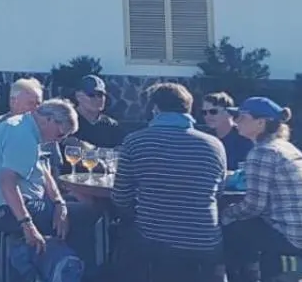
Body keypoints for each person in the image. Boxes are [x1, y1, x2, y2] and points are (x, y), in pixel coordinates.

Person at [220, 97, 302, 282]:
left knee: (228, 230)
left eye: (241, 117)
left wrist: (225, 214)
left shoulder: (262, 152)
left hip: (291, 236)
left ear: (261, 123)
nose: (235, 121)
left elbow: (254, 206)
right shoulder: (286, 148)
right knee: (245, 230)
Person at [112, 83, 227, 256]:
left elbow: (121, 196)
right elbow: (218, 192)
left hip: (153, 239)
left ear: (155, 109)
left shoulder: (135, 142)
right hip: (204, 241)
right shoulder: (215, 145)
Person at [0, 99, 99, 256]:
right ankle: (72, 267)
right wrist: (27, 225)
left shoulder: (27, 127)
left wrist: (59, 203)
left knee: (76, 206)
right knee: (85, 213)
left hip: (15, 204)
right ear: (49, 120)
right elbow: (6, 181)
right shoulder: (22, 135)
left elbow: (43, 171)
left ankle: (60, 262)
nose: (59, 141)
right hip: (6, 210)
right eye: (60, 134)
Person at [0, 77, 43, 160]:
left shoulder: (45, 127)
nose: (36, 108)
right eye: (30, 103)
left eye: (38, 103)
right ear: (13, 102)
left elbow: (53, 162)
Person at [199, 91, 251, 170]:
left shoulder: (244, 136)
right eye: (204, 112)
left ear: (229, 112)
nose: (207, 116)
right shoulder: (204, 137)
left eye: (213, 112)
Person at [71, 75, 124, 148]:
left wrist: (88, 148)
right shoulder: (67, 120)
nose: (98, 99)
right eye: (91, 94)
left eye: (100, 94)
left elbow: (119, 150)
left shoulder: (111, 125)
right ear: (78, 96)